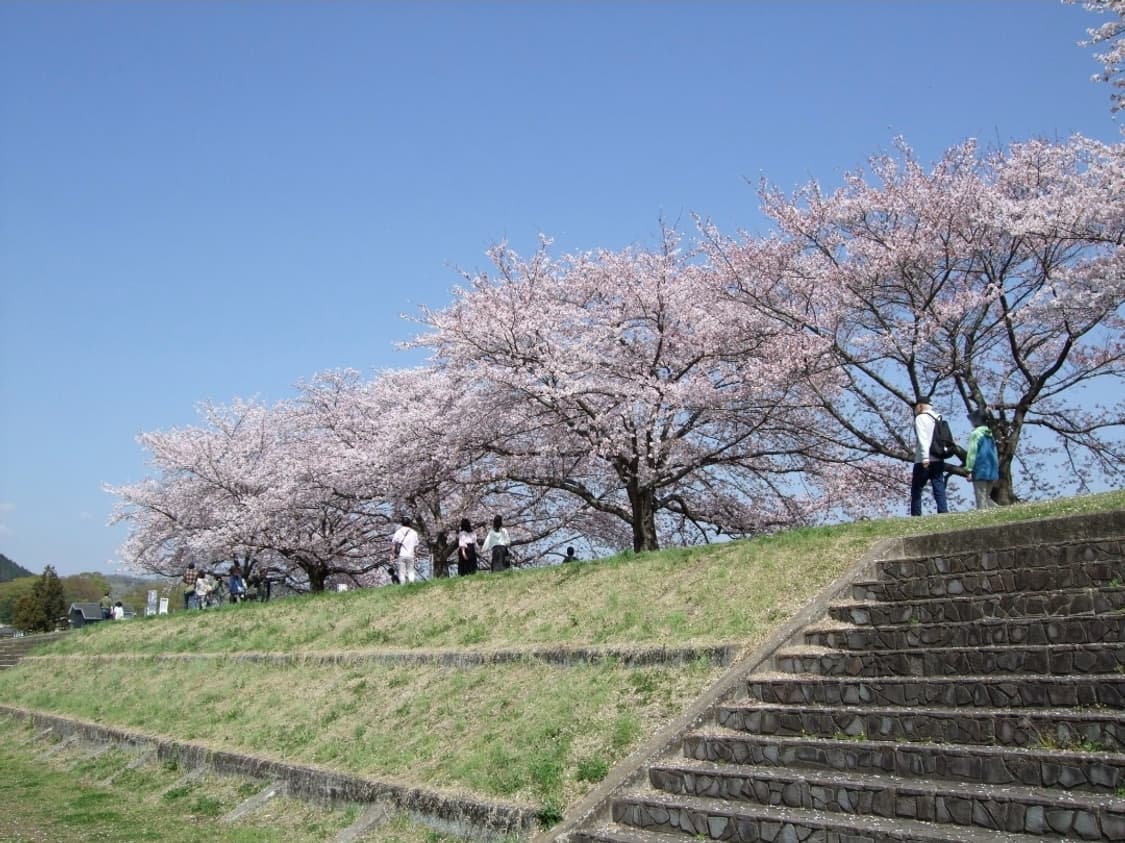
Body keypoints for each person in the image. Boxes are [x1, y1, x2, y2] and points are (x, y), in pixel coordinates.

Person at [910, 398, 949, 517]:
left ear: (921, 406)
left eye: (916, 406)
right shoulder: (938, 418)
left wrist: (925, 457)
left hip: (923, 459)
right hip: (938, 457)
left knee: (916, 488)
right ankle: (943, 512)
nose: (915, 409)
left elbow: (923, 439)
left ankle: (916, 514)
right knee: (939, 486)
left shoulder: (921, 418)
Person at [965, 410, 1000, 510]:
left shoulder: (975, 434)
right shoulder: (989, 434)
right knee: (985, 497)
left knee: (981, 498)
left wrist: (969, 469)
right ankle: (1000, 511)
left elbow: (972, 452)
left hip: (980, 468)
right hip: (992, 469)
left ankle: (984, 516)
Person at [391, 516, 420, 584]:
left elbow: (393, 544)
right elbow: (416, 546)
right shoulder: (414, 533)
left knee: (402, 572)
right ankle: (412, 585)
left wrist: (392, 555)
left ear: (401, 523)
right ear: (409, 523)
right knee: (411, 571)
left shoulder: (398, 532)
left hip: (401, 555)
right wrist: (417, 556)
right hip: (411, 555)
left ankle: (403, 586)